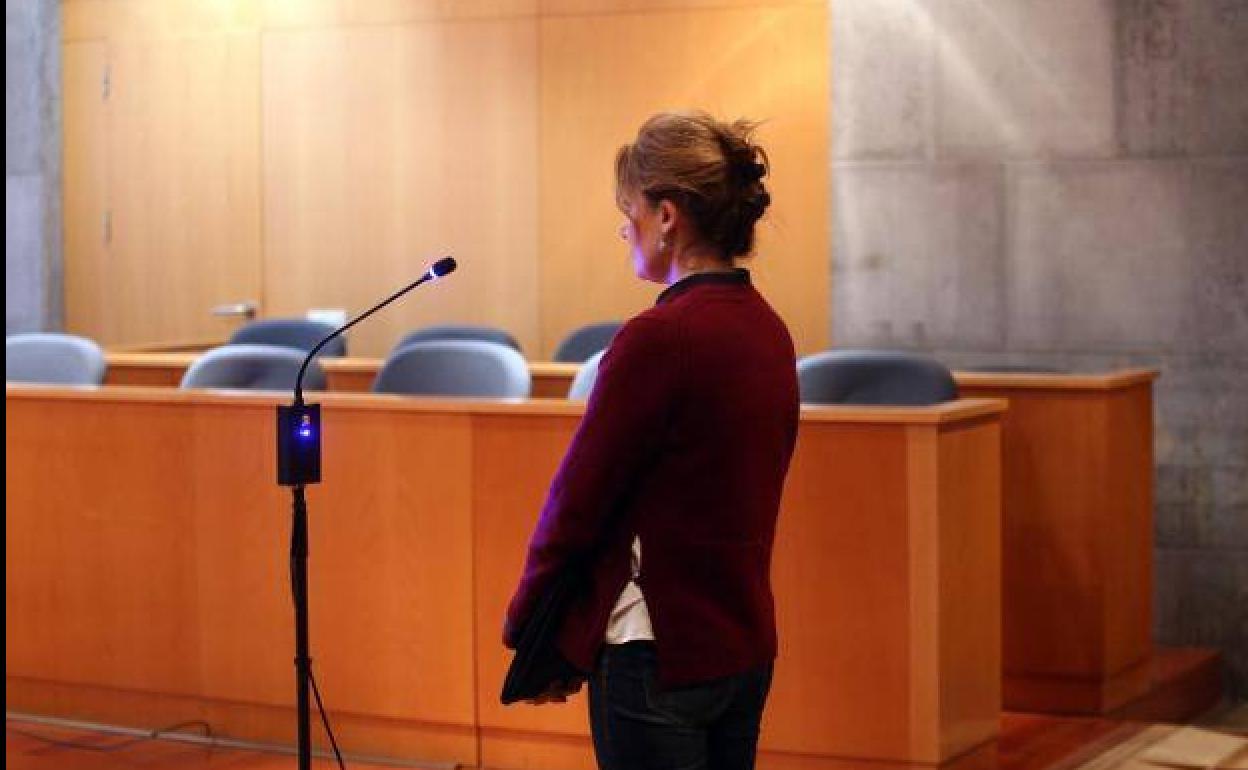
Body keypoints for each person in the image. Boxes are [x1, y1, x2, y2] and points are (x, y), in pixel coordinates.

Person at [503, 110, 799, 770]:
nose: (623, 226)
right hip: (742, 644)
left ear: (667, 215)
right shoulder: (769, 330)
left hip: (655, 649)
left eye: (629, 207)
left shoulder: (658, 338)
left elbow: (577, 503)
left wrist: (529, 620)